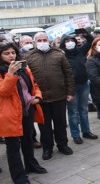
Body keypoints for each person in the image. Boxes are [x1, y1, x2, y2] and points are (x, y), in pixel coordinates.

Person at [0, 42, 47, 184]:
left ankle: (31, 164)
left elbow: (34, 85)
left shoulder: (24, 67)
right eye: (6, 53)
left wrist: (38, 96)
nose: (11, 55)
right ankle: (19, 177)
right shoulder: (5, 71)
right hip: (9, 113)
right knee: (13, 146)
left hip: (27, 109)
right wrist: (10, 74)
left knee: (28, 140)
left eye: (13, 52)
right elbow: (4, 92)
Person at [24, 32, 75, 160]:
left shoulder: (59, 54)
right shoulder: (28, 57)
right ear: (35, 42)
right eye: (39, 40)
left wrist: (70, 92)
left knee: (60, 123)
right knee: (44, 126)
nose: (42, 42)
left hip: (59, 96)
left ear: (49, 40)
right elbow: (25, 79)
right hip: (40, 99)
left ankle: (63, 145)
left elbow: (68, 74)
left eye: (44, 39)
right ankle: (47, 148)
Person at [59, 29, 98, 145]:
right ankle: (75, 135)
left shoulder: (80, 51)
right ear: (63, 43)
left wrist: (85, 33)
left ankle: (86, 131)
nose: (70, 42)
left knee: (84, 110)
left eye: (72, 40)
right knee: (73, 112)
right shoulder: (61, 56)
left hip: (84, 84)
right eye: (67, 41)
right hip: (71, 87)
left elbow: (91, 40)